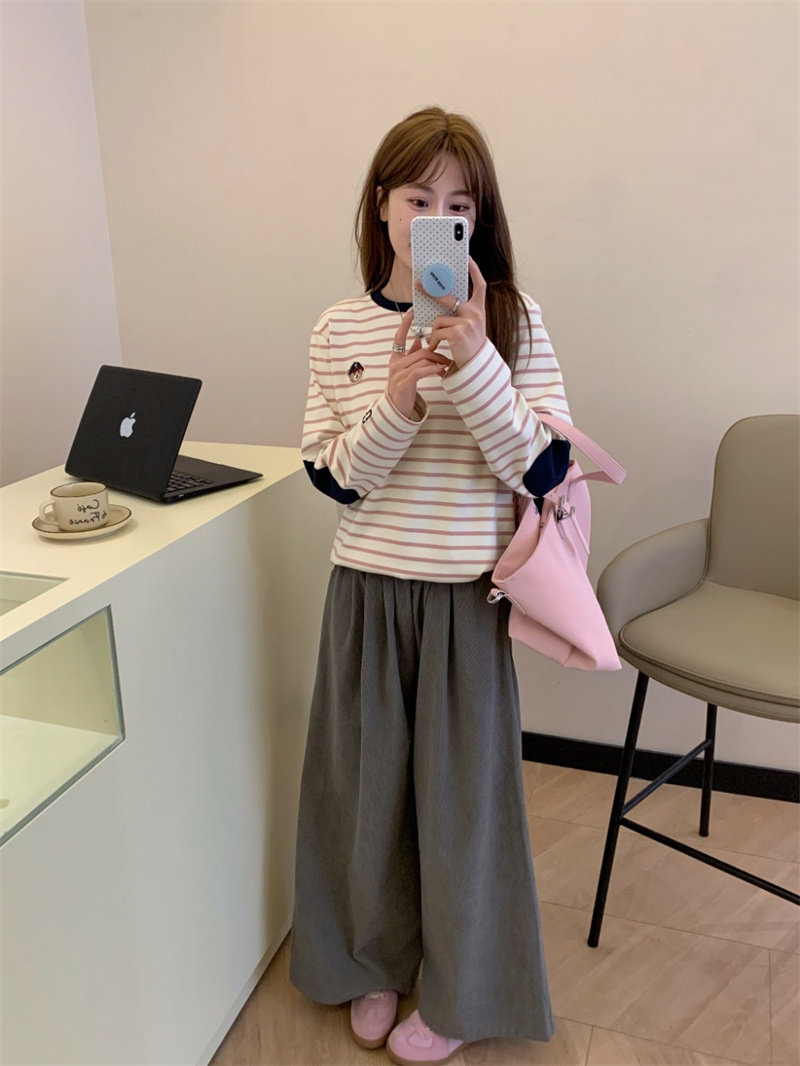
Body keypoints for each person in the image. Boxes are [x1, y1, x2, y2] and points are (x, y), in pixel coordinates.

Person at [290, 106, 571, 1066]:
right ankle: (368, 961)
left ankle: (459, 994)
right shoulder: (336, 328)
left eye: (460, 204)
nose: (437, 218)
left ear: (477, 220)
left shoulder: (516, 320)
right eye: (419, 198)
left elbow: (542, 469)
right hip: (365, 596)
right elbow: (338, 480)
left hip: (465, 601)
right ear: (382, 206)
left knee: (463, 810)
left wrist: (479, 359)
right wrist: (400, 399)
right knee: (362, 798)